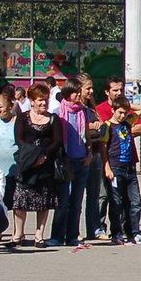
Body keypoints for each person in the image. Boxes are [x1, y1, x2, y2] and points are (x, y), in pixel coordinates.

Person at [12, 83, 62, 247]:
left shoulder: (54, 119)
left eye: (46, 100)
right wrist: (33, 156)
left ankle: (39, 235)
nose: (43, 103)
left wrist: (44, 155)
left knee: (44, 201)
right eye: (40, 100)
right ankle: (18, 234)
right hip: (27, 164)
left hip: (46, 166)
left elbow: (57, 141)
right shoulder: (22, 117)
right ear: (31, 101)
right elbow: (19, 139)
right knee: (20, 202)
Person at [49, 82, 90, 247]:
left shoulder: (83, 111)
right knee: (63, 201)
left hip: (81, 160)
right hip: (66, 161)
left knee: (77, 202)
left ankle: (73, 235)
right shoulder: (58, 113)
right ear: (68, 94)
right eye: (76, 93)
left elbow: (86, 132)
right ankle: (57, 236)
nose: (79, 96)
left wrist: (89, 153)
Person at [103, 97, 141, 243]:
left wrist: (126, 105)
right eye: (119, 112)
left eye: (124, 113)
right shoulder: (106, 126)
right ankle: (116, 233)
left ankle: (134, 232)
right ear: (113, 110)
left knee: (135, 202)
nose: (122, 116)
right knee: (116, 202)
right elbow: (103, 148)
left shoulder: (127, 123)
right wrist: (107, 166)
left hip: (130, 168)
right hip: (115, 168)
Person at [77, 77, 108, 242]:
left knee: (94, 195)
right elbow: (74, 127)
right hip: (81, 156)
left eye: (92, 88)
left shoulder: (92, 109)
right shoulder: (75, 109)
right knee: (77, 195)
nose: (91, 92)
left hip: (96, 154)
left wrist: (99, 126)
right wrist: (90, 126)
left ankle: (95, 228)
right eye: (87, 88)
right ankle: (74, 229)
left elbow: (103, 131)